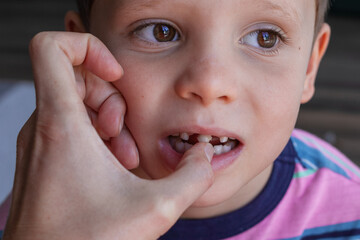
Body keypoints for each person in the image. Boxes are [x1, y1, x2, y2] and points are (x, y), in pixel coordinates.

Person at [1, 0, 360, 239]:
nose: (210, 84)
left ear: (309, 67)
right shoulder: (50, 214)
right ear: (85, 57)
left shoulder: (351, 212)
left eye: (264, 38)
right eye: (160, 32)